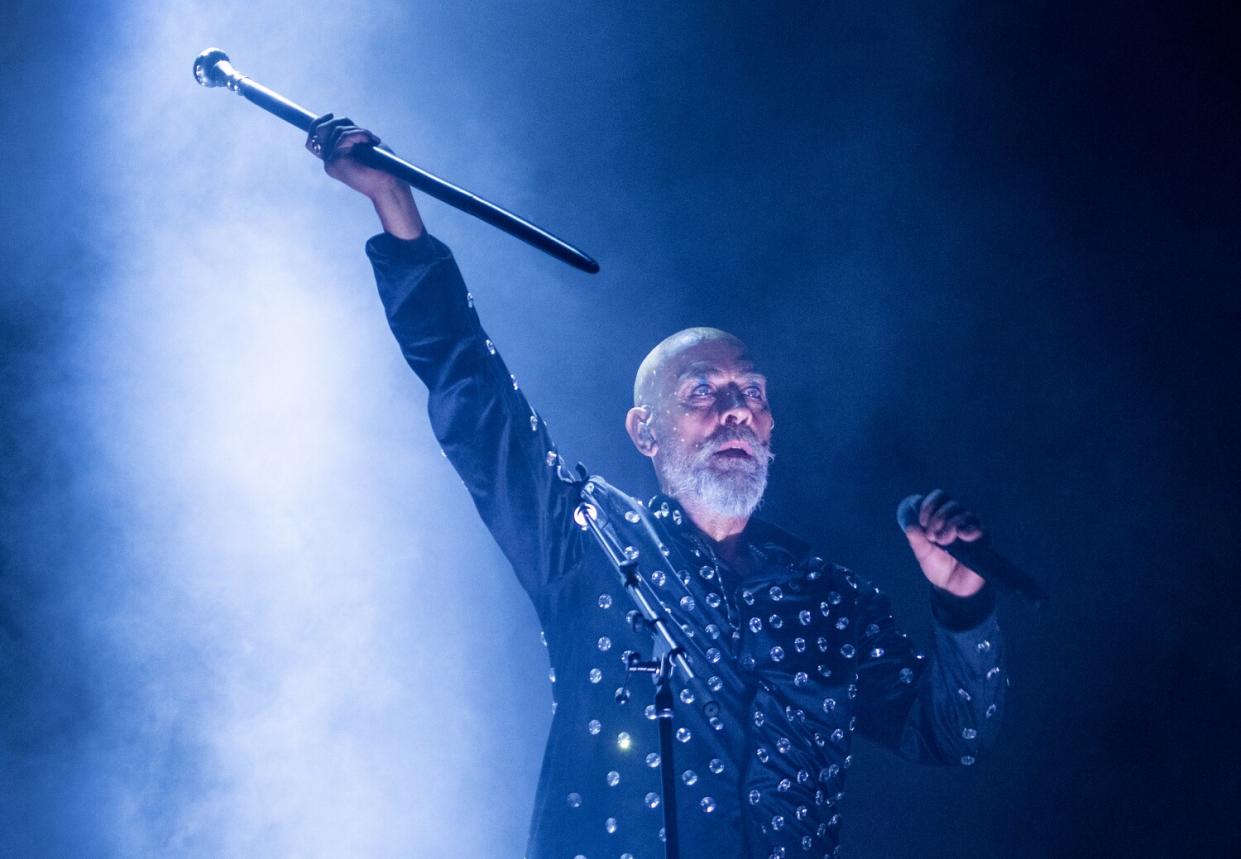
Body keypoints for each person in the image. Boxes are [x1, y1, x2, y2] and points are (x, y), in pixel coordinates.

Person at [306, 115, 1006, 859]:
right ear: (645, 432)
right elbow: (469, 388)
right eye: (703, 390)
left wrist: (963, 603)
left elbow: (952, 736)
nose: (736, 406)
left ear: (768, 428)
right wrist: (395, 208)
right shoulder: (586, 537)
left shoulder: (831, 598)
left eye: (751, 392)